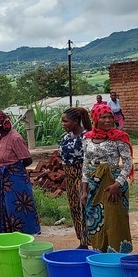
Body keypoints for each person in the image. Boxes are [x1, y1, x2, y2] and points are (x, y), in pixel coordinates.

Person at [82, 105, 133, 253]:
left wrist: (118, 184)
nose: (108, 120)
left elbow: (128, 163)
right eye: (103, 117)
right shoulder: (87, 138)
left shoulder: (119, 138)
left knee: (115, 220)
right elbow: (85, 163)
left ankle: (117, 255)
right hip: (93, 184)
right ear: (95, 119)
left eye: (110, 117)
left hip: (114, 183)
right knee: (95, 219)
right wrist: (84, 189)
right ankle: (99, 253)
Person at [0, 111, 40, 235]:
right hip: (1, 179)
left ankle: (24, 235)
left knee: (16, 207)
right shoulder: (0, 136)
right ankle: (7, 234)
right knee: (3, 207)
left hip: (14, 180)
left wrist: (11, 169)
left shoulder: (15, 138)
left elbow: (27, 160)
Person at [59, 107, 92, 249]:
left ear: (75, 121)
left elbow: (89, 161)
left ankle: (89, 240)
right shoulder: (66, 137)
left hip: (83, 176)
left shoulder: (86, 137)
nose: (63, 124)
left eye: (65, 121)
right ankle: (82, 240)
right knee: (74, 208)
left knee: (84, 207)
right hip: (70, 177)